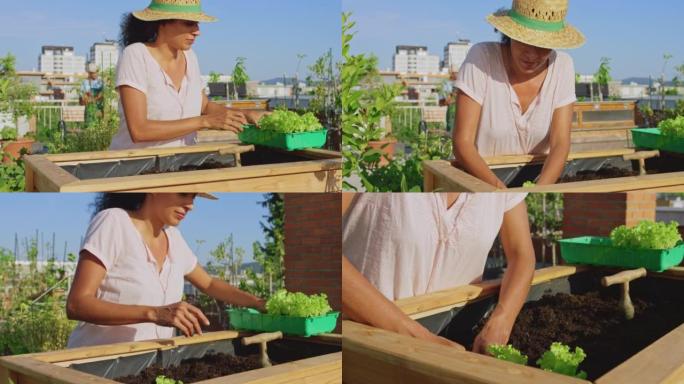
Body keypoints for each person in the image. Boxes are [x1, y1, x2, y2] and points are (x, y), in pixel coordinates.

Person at [342, 193, 536, 353]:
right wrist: (418, 338)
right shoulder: (368, 162)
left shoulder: (501, 187)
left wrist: (501, 321)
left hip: (455, 341)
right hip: (367, 342)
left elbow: (522, 256)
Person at [66, 193, 265, 348]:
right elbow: (77, 304)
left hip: (149, 367)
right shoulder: (114, 221)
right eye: (183, 194)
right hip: (95, 365)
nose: (190, 205)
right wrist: (154, 313)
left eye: (193, 197)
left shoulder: (174, 238)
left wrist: (260, 304)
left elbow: (209, 284)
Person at [452, 0, 585, 187]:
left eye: (542, 46)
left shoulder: (562, 66)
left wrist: (539, 192)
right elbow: (462, 142)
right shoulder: (482, 59)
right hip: (480, 180)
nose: (531, 55)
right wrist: (499, 191)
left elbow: (560, 143)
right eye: (525, 41)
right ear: (510, 33)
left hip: (537, 177)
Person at [110, 0, 266, 150]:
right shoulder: (136, 55)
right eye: (189, 23)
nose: (197, 31)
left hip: (182, 163)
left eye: (197, 24)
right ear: (162, 22)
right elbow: (139, 130)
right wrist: (204, 122)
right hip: (136, 166)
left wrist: (246, 114)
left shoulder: (190, 57)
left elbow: (204, 106)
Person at [81, 63, 105, 127]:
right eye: (93, 73)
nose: (95, 74)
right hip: (89, 110)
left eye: (96, 72)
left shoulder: (100, 82)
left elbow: (102, 95)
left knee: (99, 127)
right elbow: (83, 99)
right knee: (88, 128)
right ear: (89, 73)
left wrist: (93, 99)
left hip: (99, 109)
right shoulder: (85, 82)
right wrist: (86, 98)